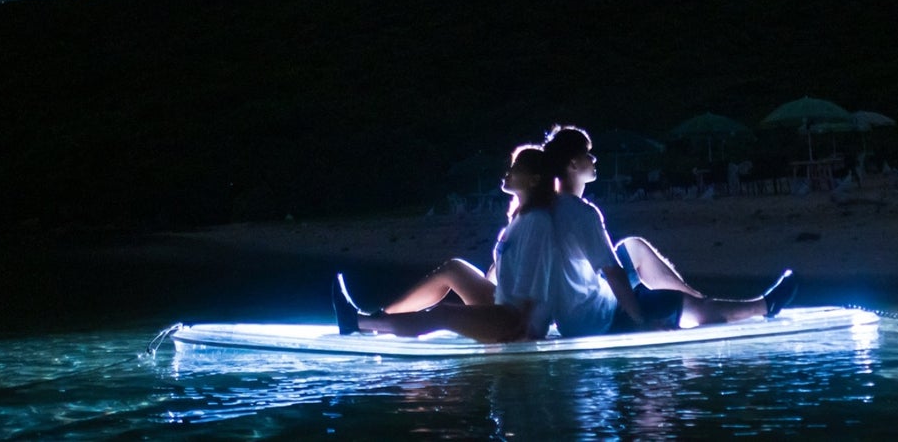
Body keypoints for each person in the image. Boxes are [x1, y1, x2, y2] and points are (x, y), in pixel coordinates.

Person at [540, 125, 796, 334]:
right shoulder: (581, 213)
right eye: (588, 154)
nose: (594, 159)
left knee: (633, 247)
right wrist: (640, 321)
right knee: (686, 309)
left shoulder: (546, 209)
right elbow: (614, 273)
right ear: (573, 164)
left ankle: (696, 296)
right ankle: (762, 306)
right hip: (597, 319)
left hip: (573, 318)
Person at [333, 143, 558, 343]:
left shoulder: (538, 221)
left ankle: (356, 323)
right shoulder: (519, 218)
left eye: (517, 168)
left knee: (443, 314)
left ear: (534, 180)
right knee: (454, 269)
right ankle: (382, 320)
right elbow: (500, 269)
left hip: (518, 319)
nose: (508, 172)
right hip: (503, 304)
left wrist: (525, 326)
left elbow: (537, 278)